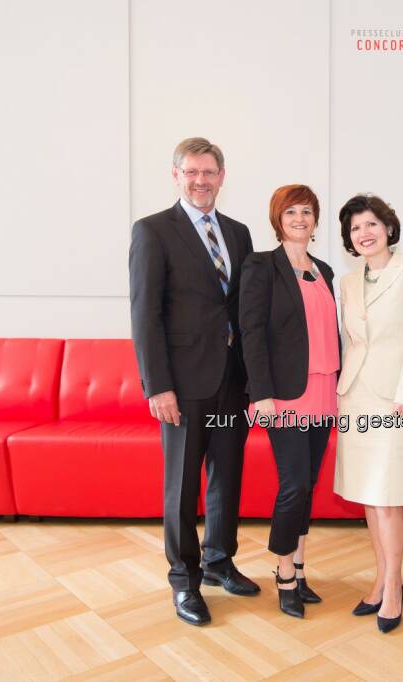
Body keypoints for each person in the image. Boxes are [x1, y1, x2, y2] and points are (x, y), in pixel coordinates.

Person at [129, 137, 259, 628]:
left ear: (221, 177)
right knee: (182, 485)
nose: (201, 181)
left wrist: (256, 380)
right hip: (182, 385)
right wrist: (156, 385)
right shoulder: (152, 231)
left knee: (228, 475)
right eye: (192, 172)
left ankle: (219, 561)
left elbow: (245, 310)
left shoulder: (238, 233)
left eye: (209, 172)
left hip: (233, 379)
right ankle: (184, 579)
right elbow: (145, 313)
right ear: (176, 176)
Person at [334, 194, 403, 634]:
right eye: (356, 228)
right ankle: (381, 579)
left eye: (372, 224)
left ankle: (394, 587)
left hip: (398, 400)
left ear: (389, 228)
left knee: (388, 496)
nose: (365, 233)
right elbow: (352, 343)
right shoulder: (347, 281)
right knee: (368, 496)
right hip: (356, 398)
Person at [239, 184, 339, 619]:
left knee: (308, 485)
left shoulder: (325, 270)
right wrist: (260, 392)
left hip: (325, 389)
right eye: (291, 211)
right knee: (293, 484)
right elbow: (251, 332)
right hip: (285, 396)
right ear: (278, 219)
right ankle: (283, 574)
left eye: (307, 211)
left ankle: (299, 568)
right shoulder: (261, 266)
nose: (300, 218)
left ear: (316, 221)